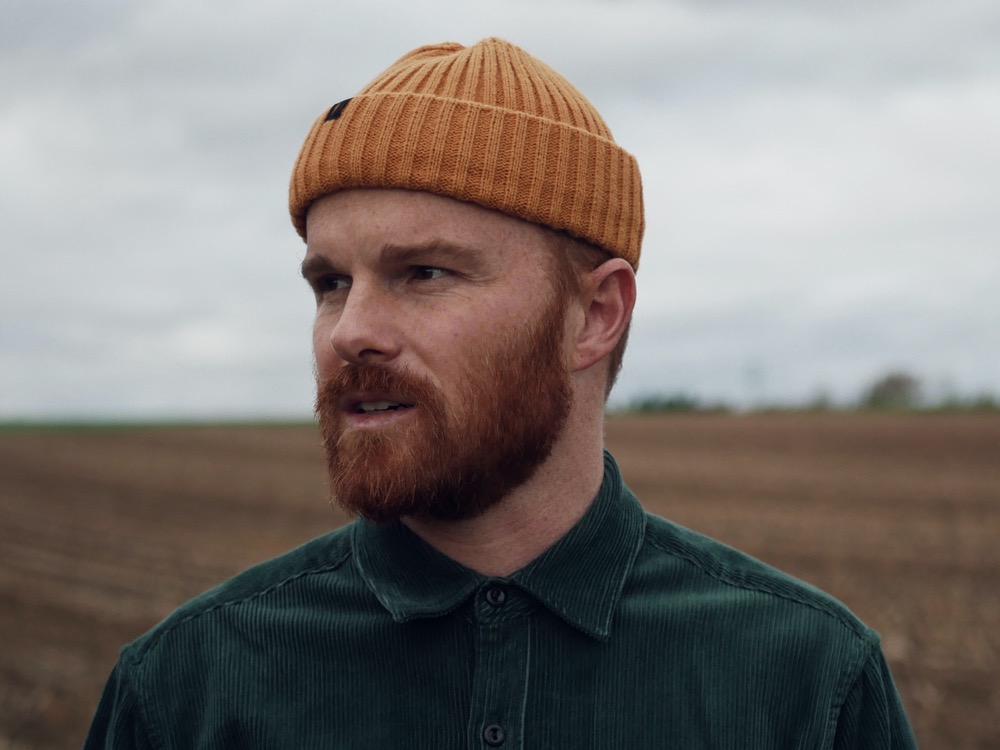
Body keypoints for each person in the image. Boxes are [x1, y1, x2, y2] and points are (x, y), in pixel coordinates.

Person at [85, 37, 916, 749]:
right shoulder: (188, 690)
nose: (350, 331)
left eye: (424, 273)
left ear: (595, 315)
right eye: (331, 283)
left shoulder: (806, 683)